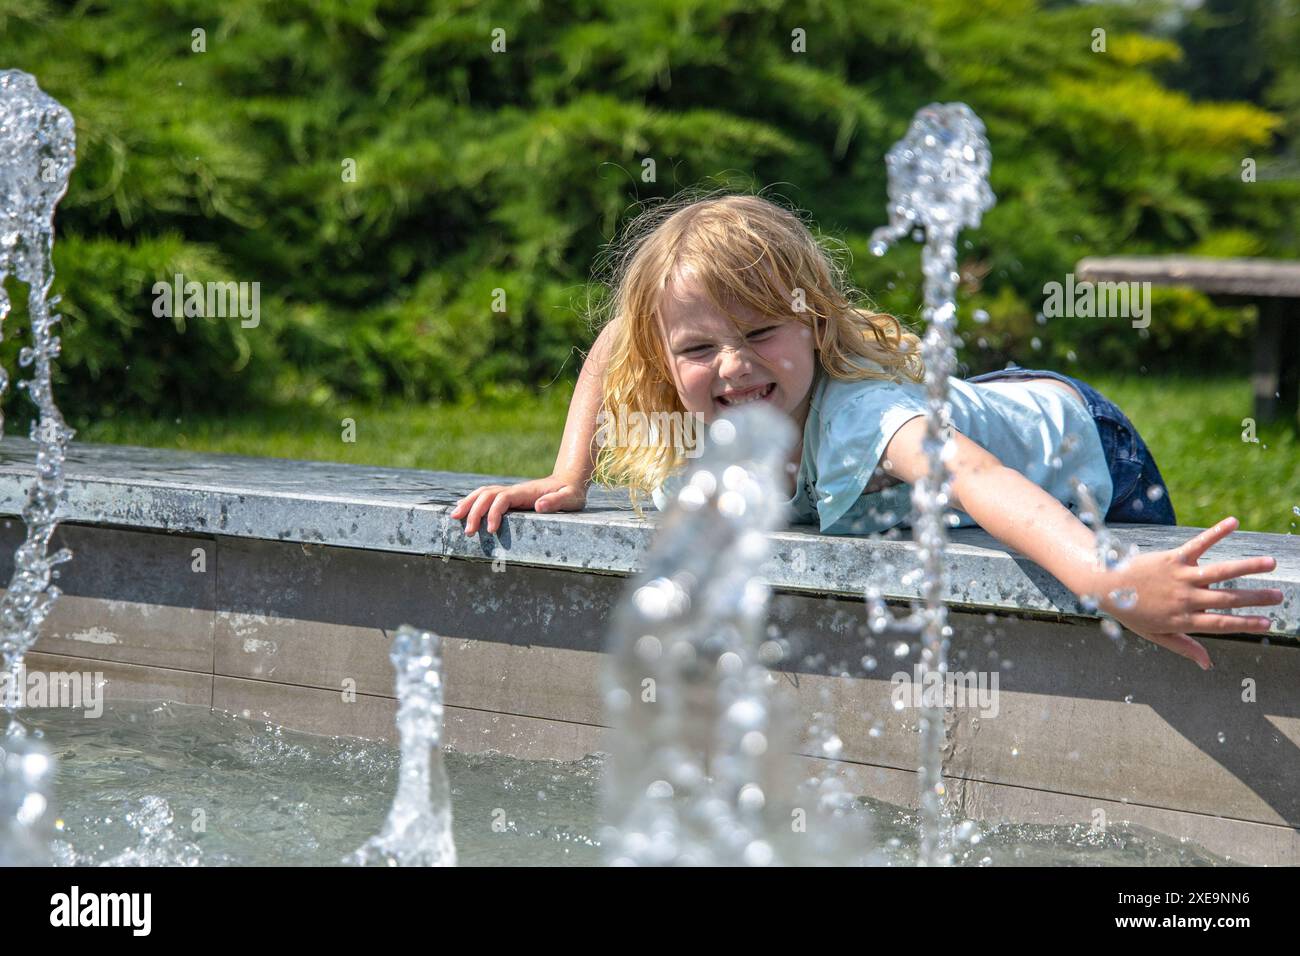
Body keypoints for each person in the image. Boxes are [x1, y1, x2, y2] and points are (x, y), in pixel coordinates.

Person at [452, 192, 1281, 669]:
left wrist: (1109, 583)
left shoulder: (859, 422)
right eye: (700, 348)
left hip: (1079, 442)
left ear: (813, 323)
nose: (734, 368)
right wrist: (569, 479)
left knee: (1152, 630)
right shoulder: (689, 403)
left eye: (760, 334)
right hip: (970, 405)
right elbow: (614, 342)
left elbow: (977, 477)